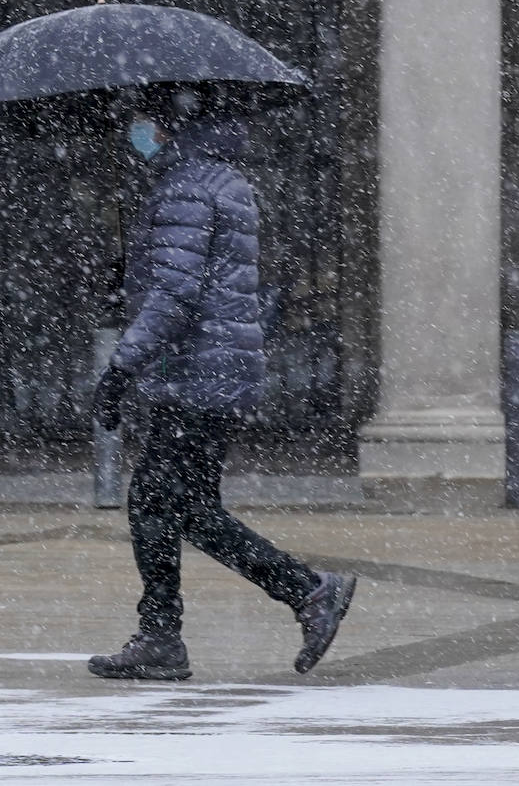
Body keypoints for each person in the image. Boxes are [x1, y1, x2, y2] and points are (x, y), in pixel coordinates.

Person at [87, 89, 356, 681]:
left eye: (144, 122)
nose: (136, 133)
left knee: (163, 500)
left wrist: (120, 366)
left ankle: (304, 592)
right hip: (216, 368)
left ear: (170, 124)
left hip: (194, 373)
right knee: (181, 504)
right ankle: (170, 633)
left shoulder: (186, 186)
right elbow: (197, 278)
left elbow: (178, 292)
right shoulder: (219, 180)